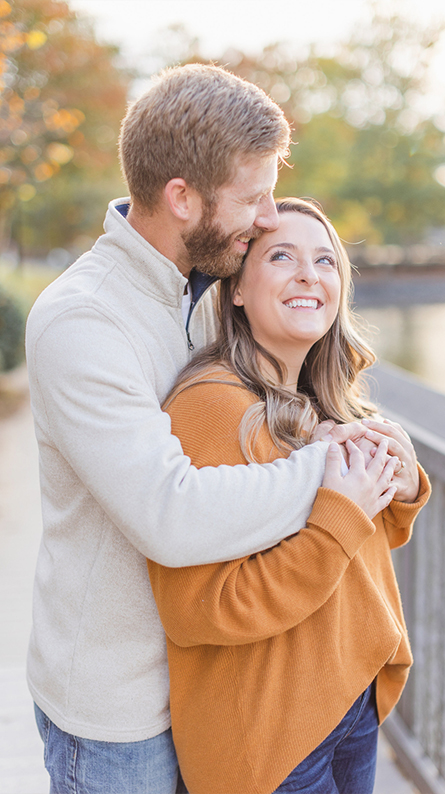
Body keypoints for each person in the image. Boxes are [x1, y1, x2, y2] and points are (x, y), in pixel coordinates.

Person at [25, 64, 361, 793]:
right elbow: (170, 513)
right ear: (182, 197)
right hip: (119, 715)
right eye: (253, 198)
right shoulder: (83, 321)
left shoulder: (205, 291)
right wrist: (330, 475)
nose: (270, 216)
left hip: (207, 684)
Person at [146, 197, 430, 794]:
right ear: (238, 291)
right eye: (282, 256)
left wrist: (403, 487)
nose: (309, 274)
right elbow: (201, 608)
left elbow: (347, 547)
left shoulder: (324, 402)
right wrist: (341, 513)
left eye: (326, 261)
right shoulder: (210, 406)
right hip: (273, 737)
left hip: (345, 700)